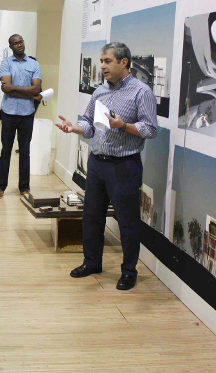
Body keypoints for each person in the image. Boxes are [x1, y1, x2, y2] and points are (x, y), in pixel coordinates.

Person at [56, 42, 158, 291]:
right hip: (97, 163)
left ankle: (128, 271)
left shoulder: (141, 92)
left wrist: (124, 126)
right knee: (91, 217)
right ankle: (91, 262)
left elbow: (151, 129)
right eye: (101, 61)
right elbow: (89, 124)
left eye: (107, 61)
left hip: (124, 165)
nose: (102, 66)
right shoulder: (99, 91)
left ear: (124, 62)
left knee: (127, 222)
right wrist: (75, 127)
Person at [0, 34, 41, 199]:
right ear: (11, 46)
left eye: (21, 41)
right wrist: (28, 92)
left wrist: (14, 88)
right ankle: (0, 187)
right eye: (16, 43)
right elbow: (6, 89)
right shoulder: (6, 63)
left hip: (27, 114)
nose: (19, 45)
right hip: (8, 112)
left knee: (25, 151)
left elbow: (36, 90)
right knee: (5, 150)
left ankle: (24, 188)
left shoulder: (34, 64)